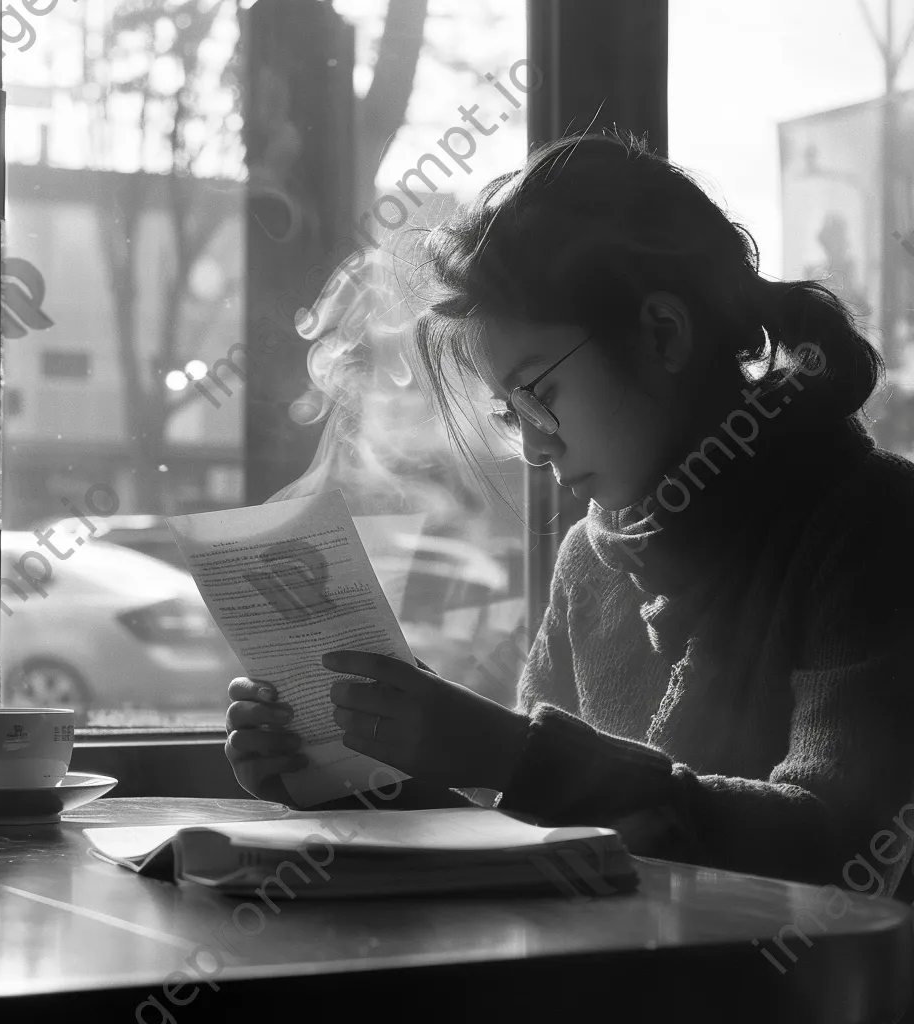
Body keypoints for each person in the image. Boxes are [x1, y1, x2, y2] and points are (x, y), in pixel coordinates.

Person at [225, 129, 914, 898]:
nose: (530, 448)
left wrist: (516, 756)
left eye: (538, 394)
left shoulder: (871, 521)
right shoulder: (592, 561)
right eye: (510, 415)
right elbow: (535, 836)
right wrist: (361, 771)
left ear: (663, 332)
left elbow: (843, 845)